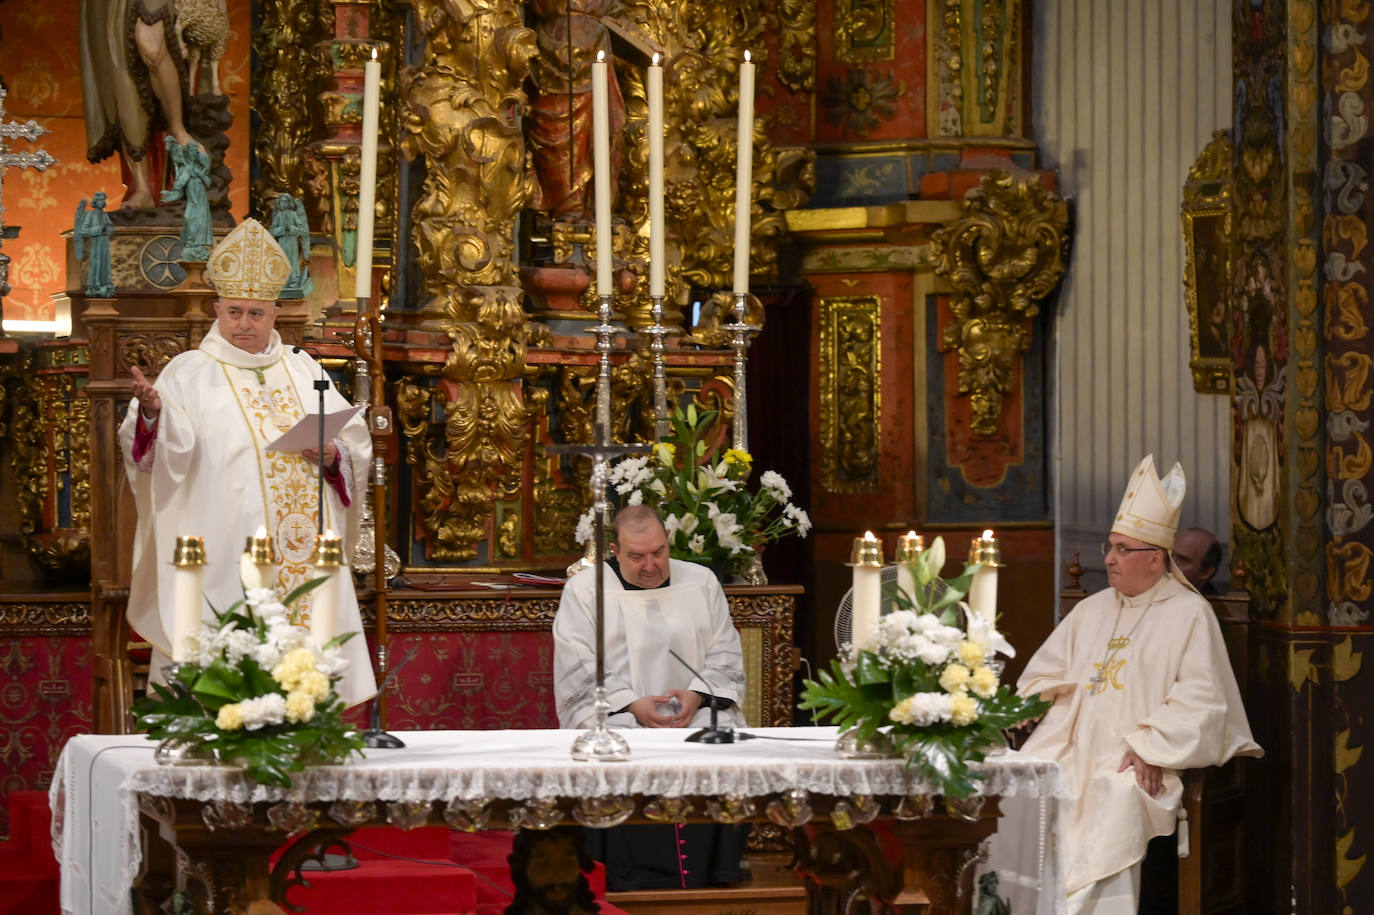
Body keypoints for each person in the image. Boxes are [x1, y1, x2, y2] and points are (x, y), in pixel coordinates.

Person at [118, 218, 375, 705]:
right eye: (234, 311)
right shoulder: (189, 374)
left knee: (305, 665)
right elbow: (158, 460)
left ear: (276, 312)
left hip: (302, 547)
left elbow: (351, 444)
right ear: (217, 308)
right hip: (220, 553)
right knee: (220, 655)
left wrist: (331, 455)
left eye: (256, 313)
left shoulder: (304, 369)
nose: (244, 324)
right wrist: (154, 414)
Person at [989, 455, 1261, 914]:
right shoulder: (1091, 608)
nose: (1110, 559)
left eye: (1122, 549)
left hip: (1131, 758)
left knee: (1115, 798)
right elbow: (1043, 672)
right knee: (1019, 784)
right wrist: (1033, 701)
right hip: (1066, 745)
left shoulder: (1189, 614)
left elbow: (1202, 699)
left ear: (1155, 560)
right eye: (1108, 548)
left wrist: (1150, 746)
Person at [552, 504, 747, 889]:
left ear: (668, 540)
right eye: (636, 557)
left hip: (695, 710)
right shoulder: (586, 590)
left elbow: (725, 651)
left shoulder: (701, 581)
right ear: (615, 551)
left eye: (658, 552)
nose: (651, 565)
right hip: (619, 713)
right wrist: (633, 704)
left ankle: (718, 868)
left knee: (727, 740)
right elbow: (577, 661)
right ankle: (626, 873)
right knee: (611, 748)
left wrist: (696, 694)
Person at [73, 192, 115, 297]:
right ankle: (94, 286)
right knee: (97, 263)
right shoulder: (90, 215)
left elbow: (111, 227)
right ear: (95, 202)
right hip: (96, 243)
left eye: (103, 200)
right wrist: (99, 229)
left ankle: (105, 284)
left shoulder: (104, 215)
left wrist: (107, 229)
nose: (102, 202)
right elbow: (83, 230)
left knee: (105, 263)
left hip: (104, 242)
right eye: (100, 200)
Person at [1171, 526, 1222, 595]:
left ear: (1206, 572)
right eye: (1170, 555)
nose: (1169, 564)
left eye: (1183, 560)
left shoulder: (1207, 604)